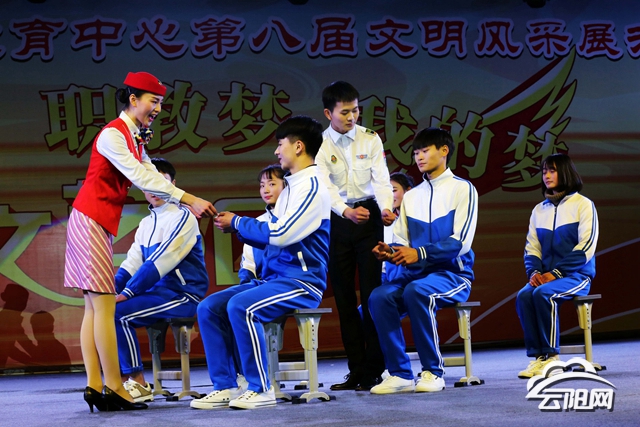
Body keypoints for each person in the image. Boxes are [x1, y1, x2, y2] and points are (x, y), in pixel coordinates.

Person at [63, 71, 216, 412]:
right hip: (90, 219)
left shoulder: (135, 138)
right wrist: (189, 198)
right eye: (153, 101)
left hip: (96, 221)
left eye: (161, 102)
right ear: (133, 99)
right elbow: (140, 176)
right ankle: (115, 387)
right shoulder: (112, 135)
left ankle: (95, 385)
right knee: (104, 307)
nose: (158, 108)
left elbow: (148, 171)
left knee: (94, 308)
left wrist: (182, 198)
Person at [191, 115, 330, 410]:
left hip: (302, 281)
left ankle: (261, 388)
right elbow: (273, 235)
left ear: (298, 146)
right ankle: (226, 385)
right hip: (274, 280)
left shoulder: (312, 185)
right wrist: (236, 227)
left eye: (280, 144)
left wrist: (238, 222)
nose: (277, 151)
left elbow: (281, 234)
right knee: (209, 307)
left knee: (241, 307)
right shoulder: (292, 187)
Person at [368, 127, 478, 395]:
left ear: (444, 151)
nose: (418, 157)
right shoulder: (412, 196)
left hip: (453, 275)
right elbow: (402, 241)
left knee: (418, 291)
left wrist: (420, 254)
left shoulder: (463, 188)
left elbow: (461, 241)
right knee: (379, 297)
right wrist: (391, 251)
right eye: (416, 152)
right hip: (415, 276)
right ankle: (400, 373)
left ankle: (433, 371)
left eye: (425, 151)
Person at [315, 81, 395, 391]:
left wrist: (386, 208)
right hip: (337, 220)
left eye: (356, 110)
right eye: (345, 112)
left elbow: (382, 179)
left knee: (372, 295)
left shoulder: (370, 138)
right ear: (328, 114)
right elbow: (325, 187)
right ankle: (356, 370)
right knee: (345, 298)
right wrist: (345, 211)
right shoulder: (320, 144)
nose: (352, 117)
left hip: (369, 216)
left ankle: (375, 369)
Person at [114, 158, 210, 403]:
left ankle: (137, 382)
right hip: (156, 294)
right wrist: (109, 291)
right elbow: (132, 263)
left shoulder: (183, 217)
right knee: (106, 310)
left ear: (172, 185)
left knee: (119, 314)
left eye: (161, 182)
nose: (154, 189)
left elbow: (162, 259)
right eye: (149, 183)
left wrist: (129, 292)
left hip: (182, 295)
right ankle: (122, 381)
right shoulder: (146, 223)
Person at [515, 153, 599, 379]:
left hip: (576, 275)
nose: (547, 176)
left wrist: (557, 272)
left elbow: (586, 246)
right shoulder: (539, 210)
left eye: (552, 171)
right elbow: (532, 248)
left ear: (565, 173)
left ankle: (552, 358)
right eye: (544, 172)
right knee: (524, 296)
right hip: (546, 277)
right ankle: (538, 358)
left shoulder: (583, 205)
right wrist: (534, 272)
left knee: (544, 294)